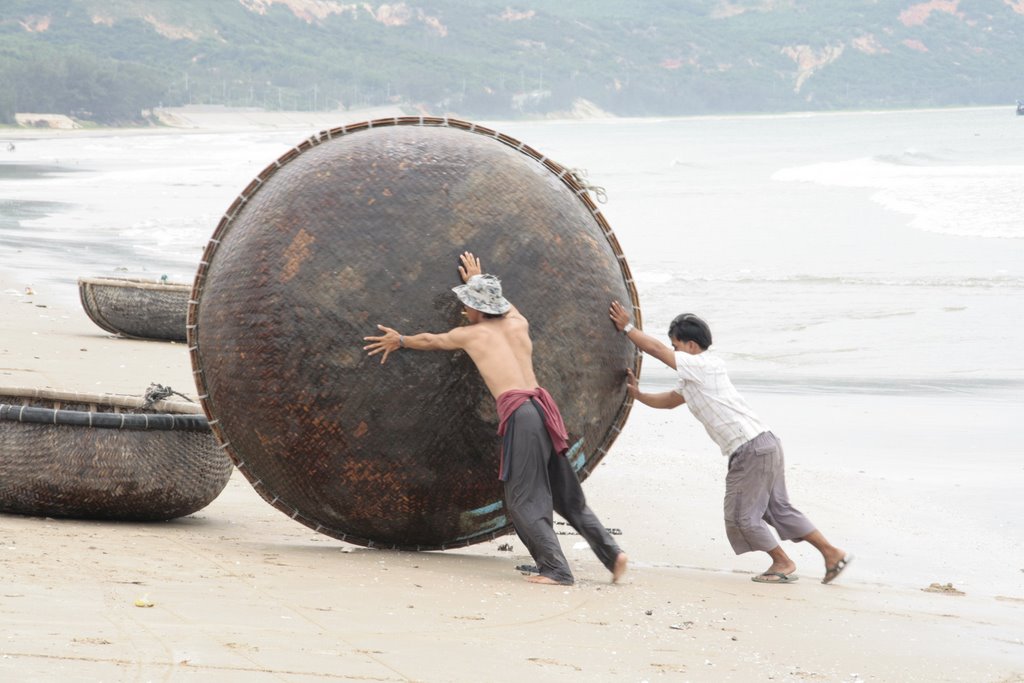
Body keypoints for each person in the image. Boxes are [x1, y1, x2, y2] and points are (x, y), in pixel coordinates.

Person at [364, 252, 627, 586]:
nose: (464, 310)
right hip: (545, 410)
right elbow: (502, 304)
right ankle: (612, 554)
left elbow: (432, 340)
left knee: (522, 499)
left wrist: (399, 340)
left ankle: (556, 569)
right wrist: (477, 280)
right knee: (565, 494)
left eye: (468, 305)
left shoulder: (471, 335)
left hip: (522, 415)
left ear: (478, 310)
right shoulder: (519, 322)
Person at [608, 300, 851, 585]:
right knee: (778, 510)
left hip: (750, 449)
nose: (673, 350)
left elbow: (655, 350)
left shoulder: (701, 365)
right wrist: (638, 395)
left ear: (691, 346)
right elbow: (670, 401)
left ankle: (782, 562)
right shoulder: (698, 376)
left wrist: (626, 327)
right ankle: (832, 553)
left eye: (676, 345)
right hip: (764, 443)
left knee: (740, 515)